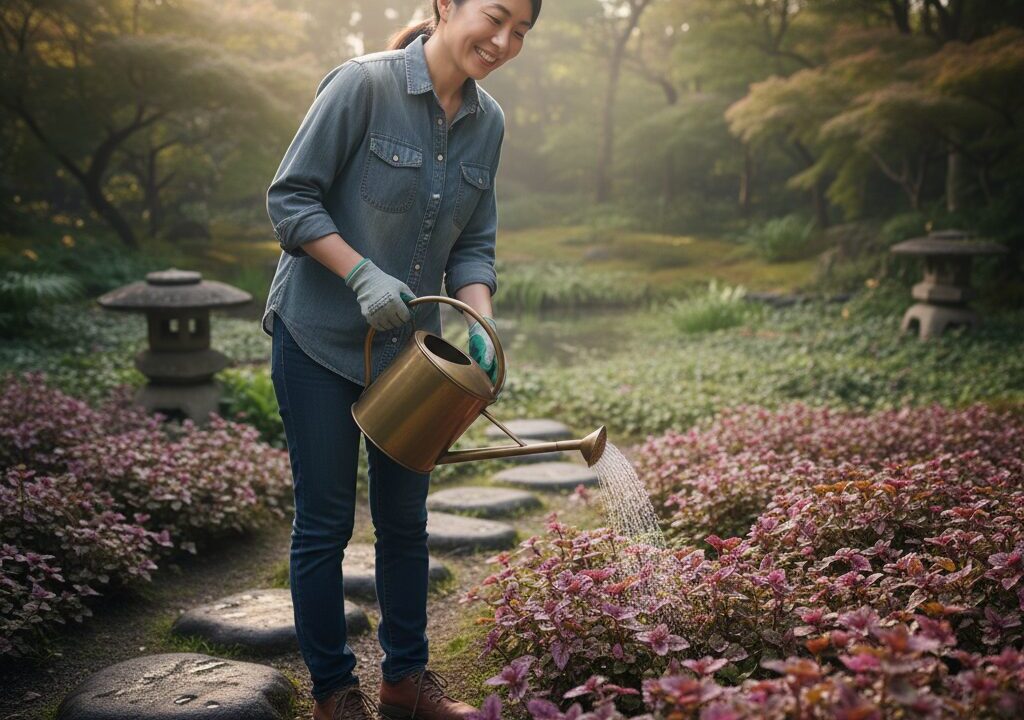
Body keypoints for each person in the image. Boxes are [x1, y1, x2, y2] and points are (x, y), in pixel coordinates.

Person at [262, 0, 542, 718]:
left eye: (522, 31)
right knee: (324, 523)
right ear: (447, 4)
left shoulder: (492, 123)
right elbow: (291, 201)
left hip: (411, 359)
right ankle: (332, 694)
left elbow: (474, 242)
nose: (505, 41)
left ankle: (405, 685)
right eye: (495, 17)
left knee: (405, 523)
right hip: (318, 337)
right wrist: (358, 271)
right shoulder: (362, 85)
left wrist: (477, 320)